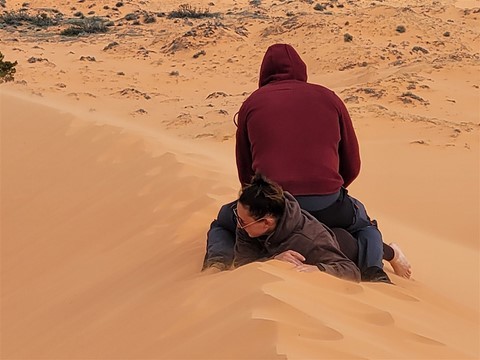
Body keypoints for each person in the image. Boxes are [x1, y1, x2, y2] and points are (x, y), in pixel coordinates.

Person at [203, 43, 411, 279]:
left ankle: (216, 266)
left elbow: (246, 172)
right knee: (364, 226)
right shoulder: (329, 98)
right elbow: (352, 163)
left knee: (222, 222)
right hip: (328, 203)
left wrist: (263, 197)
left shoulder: (252, 103)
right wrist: (329, 187)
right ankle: (376, 270)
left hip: (275, 205)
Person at [233, 174, 363, 282]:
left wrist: (318, 269)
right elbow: (243, 264)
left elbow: (350, 270)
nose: (239, 225)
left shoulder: (311, 241)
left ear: (266, 222)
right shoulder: (247, 228)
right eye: (237, 217)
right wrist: (273, 262)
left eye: (243, 222)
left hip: (348, 246)